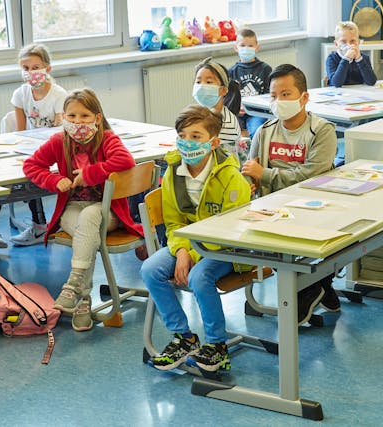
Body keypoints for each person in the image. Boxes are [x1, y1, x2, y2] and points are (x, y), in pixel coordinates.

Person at [140, 104, 251, 372]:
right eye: (182, 136)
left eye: (196, 136)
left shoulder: (230, 177)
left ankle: (217, 346)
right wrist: (181, 251)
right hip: (187, 244)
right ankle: (184, 338)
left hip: (227, 247)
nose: (187, 142)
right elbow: (173, 221)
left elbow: (230, 229)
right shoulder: (173, 172)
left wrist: (192, 254)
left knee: (199, 277)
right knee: (150, 269)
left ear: (213, 143)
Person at [23, 88, 141, 332]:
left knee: (89, 217)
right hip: (72, 210)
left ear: (97, 118)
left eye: (85, 116)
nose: (78, 122)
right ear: (64, 117)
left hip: (107, 211)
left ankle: (75, 289)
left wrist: (90, 174)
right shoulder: (59, 141)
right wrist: (54, 180)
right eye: (72, 116)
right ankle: (81, 295)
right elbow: (32, 165)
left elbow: (125, 161)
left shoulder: (107, 139)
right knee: (85, 230)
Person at [241, 64, 339, 325]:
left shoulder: (323, 130)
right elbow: (251, 170)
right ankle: (316, 285)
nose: (279, 101)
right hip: (272, 207)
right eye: (274, 96)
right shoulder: (264, 131)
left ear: (304, 97)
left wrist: (265, 175)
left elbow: (311, 175)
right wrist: (250, 182)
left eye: (286, 94)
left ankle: (312, 285)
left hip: (314, 205)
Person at [0, 43, 67, 249]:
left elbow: (59, 131)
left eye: (36, 67)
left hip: (54, 150)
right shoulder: (20, 94)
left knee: (33, 170)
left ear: (47, 69)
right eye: (26, 68)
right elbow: (20, 132)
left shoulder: (59, 95)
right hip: (30, 148)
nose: (31, 72)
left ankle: (37, 226)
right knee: (2, 175)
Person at [192, 57, 244, 163]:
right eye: (198, 82)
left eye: (209, 82)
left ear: (223, 90)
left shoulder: (227, 124)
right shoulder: (196, 114)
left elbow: (224, 162)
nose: (201, 86)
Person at [227, 28, 272, 140]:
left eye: (250, 46)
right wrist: (236, 108)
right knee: (226, 130)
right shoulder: (231, 72)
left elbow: (269, 94)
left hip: (257, 112)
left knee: (256, 131)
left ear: (257, 47)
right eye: (242, 45)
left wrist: (255, 107)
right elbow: (228, 96)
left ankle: (255, 151)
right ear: (236, 48)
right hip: (238, 113)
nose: (246, 49)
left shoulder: (265, 69)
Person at [325, 21, 377, 88]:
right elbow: (336, 83)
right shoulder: (332, 58)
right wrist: (346, 59)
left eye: (352, 41)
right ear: (336, 44)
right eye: (343, 41)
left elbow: (371, 81)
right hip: (339, 93)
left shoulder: (364, 58)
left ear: (358, 42)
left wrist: (359, 59)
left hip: (358, 92)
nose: (349, 45)